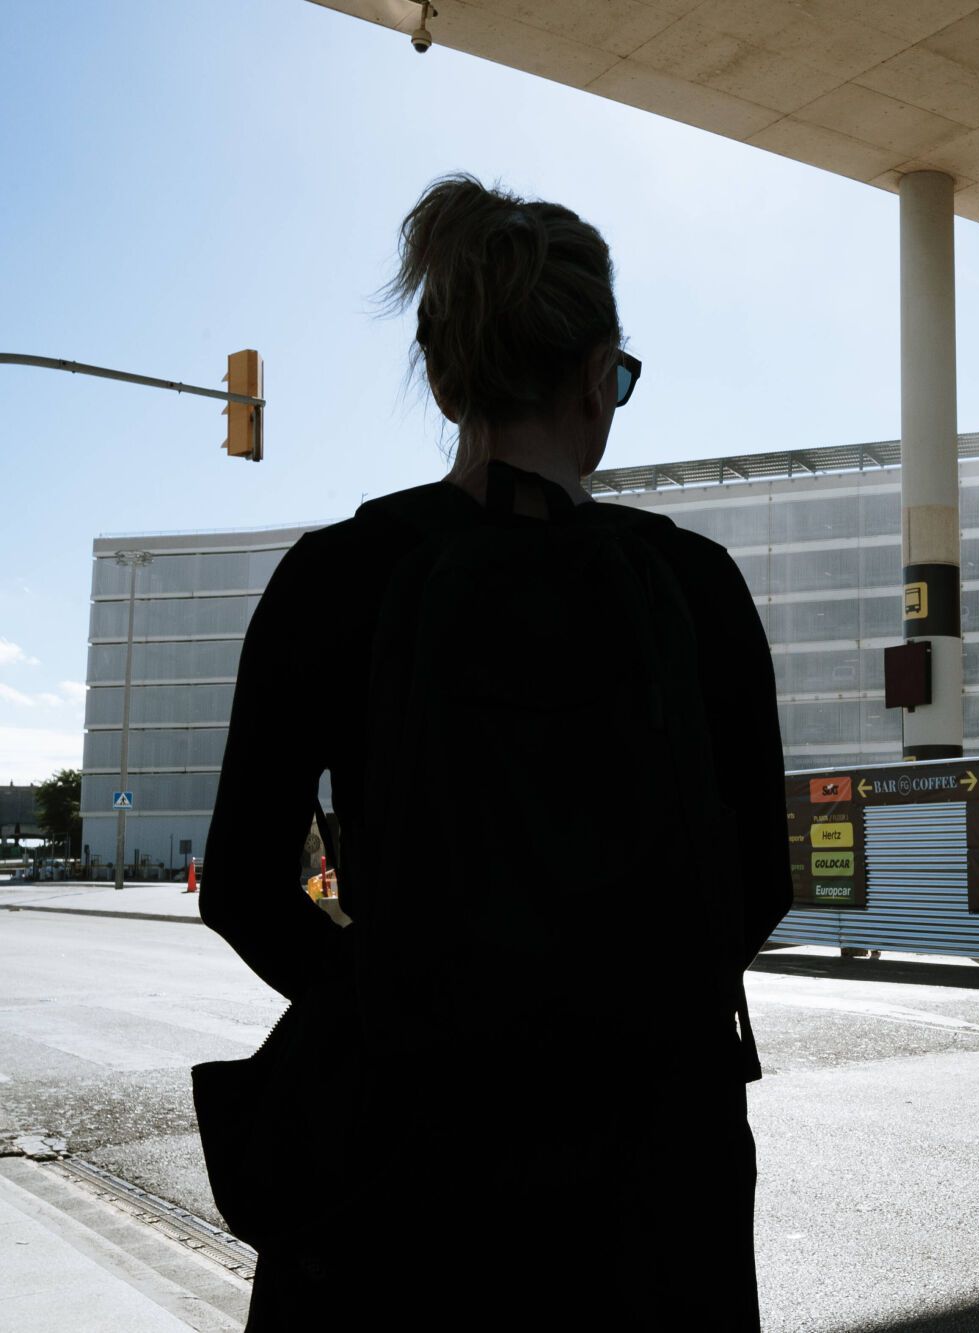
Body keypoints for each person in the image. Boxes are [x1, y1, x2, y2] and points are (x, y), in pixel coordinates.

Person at [199, 175, 791, 1328]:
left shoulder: (338, 577)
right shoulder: (692, 585)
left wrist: (391, 1005)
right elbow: (757, 881)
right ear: (592, 374)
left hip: (409, 1182)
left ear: (444, 375)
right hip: (652, 1187)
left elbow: (241, 888)